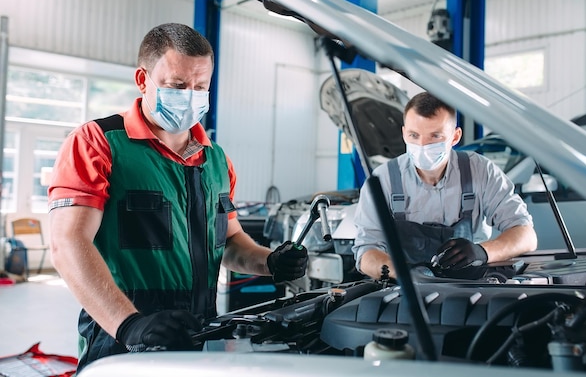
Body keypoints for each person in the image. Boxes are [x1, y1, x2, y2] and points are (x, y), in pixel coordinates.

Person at [47, 23, 308, 373]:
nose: (190, 96)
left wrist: (270, 262)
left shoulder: (217, 160)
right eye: (177, 85)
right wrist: (129, 324)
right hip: (119, 336)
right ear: (143, 80)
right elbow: (68, 243)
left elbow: (229, 242)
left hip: (199, 331)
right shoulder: (99, 143)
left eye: (201, 87)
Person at [352, 91, 537, 280]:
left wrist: (482, 252)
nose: (422, 145)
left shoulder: (480, 171)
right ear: (403, 133)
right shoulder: (383, 180)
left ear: (455, 137)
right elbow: (366, 251)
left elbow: (526, 235)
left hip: (473, 287)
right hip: (405, 291)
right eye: (414, 135)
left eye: (435, 136)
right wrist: (404, 273)